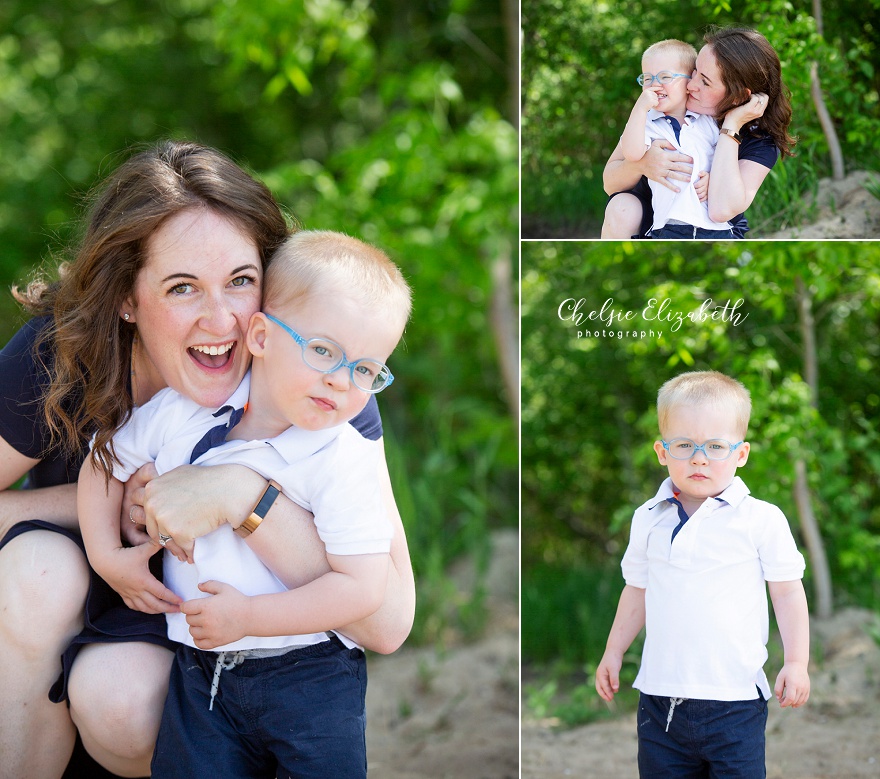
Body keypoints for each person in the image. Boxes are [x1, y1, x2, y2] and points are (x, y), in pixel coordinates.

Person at [0, 141, 415, 778]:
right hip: (89, 599)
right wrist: (122, 511)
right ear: (126, 299)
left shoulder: (322, 384)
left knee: (129, 701)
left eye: (241, 282)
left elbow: (385, 622)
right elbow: (102, 477)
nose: (219, 320)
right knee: (36, 570)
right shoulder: (61, 352)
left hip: (217, 639)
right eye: (182, 288)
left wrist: (242, 495)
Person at [78, 230, 412, 778]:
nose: (340, 380)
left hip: (312, 674)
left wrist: (250, 616)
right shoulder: (182, 414)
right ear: (259, 334)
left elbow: (363, 587)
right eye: (323, 350)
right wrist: (105, 555)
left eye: (366, 371)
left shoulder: (341, 456)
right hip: (200, 672)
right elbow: (103, 460)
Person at [595, 371, 810, 777]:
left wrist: (797, 662)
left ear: (741, 453)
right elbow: (636, 590)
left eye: (715, 446)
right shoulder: (647, 519)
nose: (699, 457)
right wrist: (613, 651)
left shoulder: (760, 519)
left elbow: (786, 593)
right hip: (660, 704)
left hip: (736, 702)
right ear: (662, 451)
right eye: (684, 445)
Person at [602, 27, 796, 239]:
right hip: (655, 222)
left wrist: (730, 126)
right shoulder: (659, 115)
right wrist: (642, 164)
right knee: (621, 206)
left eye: (704, 81)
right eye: (693, 72)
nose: (690, 85)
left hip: (711, 229)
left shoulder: (760, 140)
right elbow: (610, 183)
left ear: (738, 97)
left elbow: (721, 209)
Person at [620, 39, 735, 239]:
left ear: (689, 81)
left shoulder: (707, 121)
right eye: (647, 79)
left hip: (716, 227)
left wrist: (713, 179)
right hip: (668, 227)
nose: (654, 84)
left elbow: (725, 161)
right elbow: (632, 153)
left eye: (665, 76)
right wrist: (639, 108)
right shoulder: (647, 122)